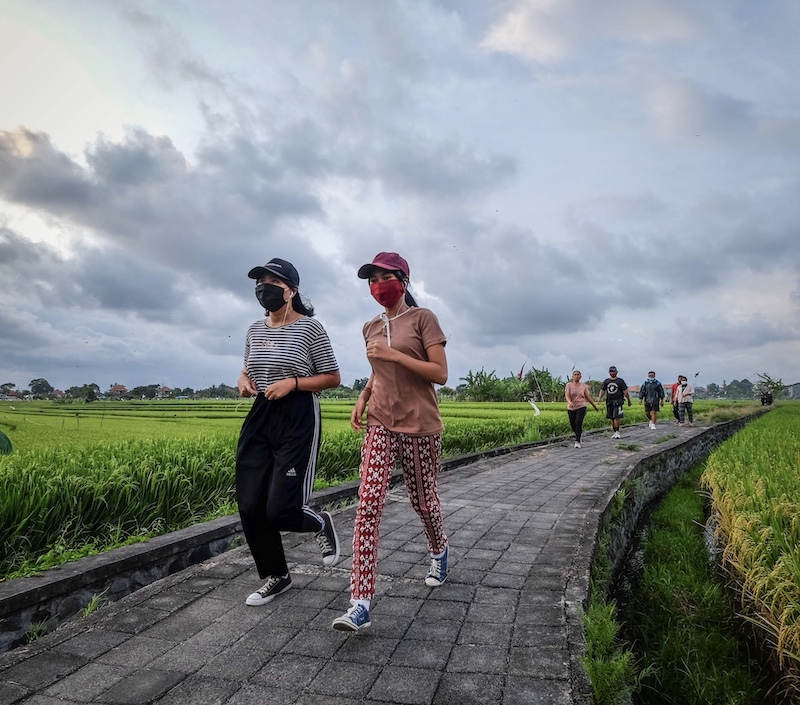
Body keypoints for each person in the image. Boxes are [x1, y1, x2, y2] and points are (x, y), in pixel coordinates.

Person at [332, 252, 449, 633]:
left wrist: (393, 353)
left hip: (420, 425)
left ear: (402, 280)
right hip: (380, 422)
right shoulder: (369, 327)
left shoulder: (423, 318)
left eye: (384, 276)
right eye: (371, 279)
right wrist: (363, 397)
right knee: (367, 503)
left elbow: (440, 373)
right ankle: (360, 602)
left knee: (423, 501)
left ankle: (439, 550)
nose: (377, 284)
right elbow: (377, 370)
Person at [236, 257, 342, 606]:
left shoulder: (310, 329)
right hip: (262, 412)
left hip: (297, 414)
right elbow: (248, 366)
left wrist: (294, 383)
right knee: (250, 504)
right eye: (259, 281)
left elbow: (332, 377)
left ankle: (319, 523)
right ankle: (276, 576)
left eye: (272, 281)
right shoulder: (254, 328)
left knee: (280, 508)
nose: (263, 287)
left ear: (291, 290)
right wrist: (243, 380)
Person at [564, 370, 599, 448]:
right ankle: (578, 434)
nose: (576, 376)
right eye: (575, 374)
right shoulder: (569, 385)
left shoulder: (583, 386)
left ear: (580, 376)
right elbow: (567, 395)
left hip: (581, 406)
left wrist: (594, 406)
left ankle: (577, 441)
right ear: (572, 376)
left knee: (578, 422)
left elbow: (588, 396)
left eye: (578, 374)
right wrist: (570, 402)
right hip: (571, 407)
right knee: (572, 424)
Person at [598, 366, 631, 439]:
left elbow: (625, 391)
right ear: (609, 372)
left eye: (614, 371)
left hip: (618, 402)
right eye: (611, 372)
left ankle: (617, 431)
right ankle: (614, 431)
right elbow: (602, 390)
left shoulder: (620, 381)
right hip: (609, 402)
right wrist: (599, 398)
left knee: (617, 417)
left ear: (617, 372)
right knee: (612, 418)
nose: (612, 373)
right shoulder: (606, 381)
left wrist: (628, 400)